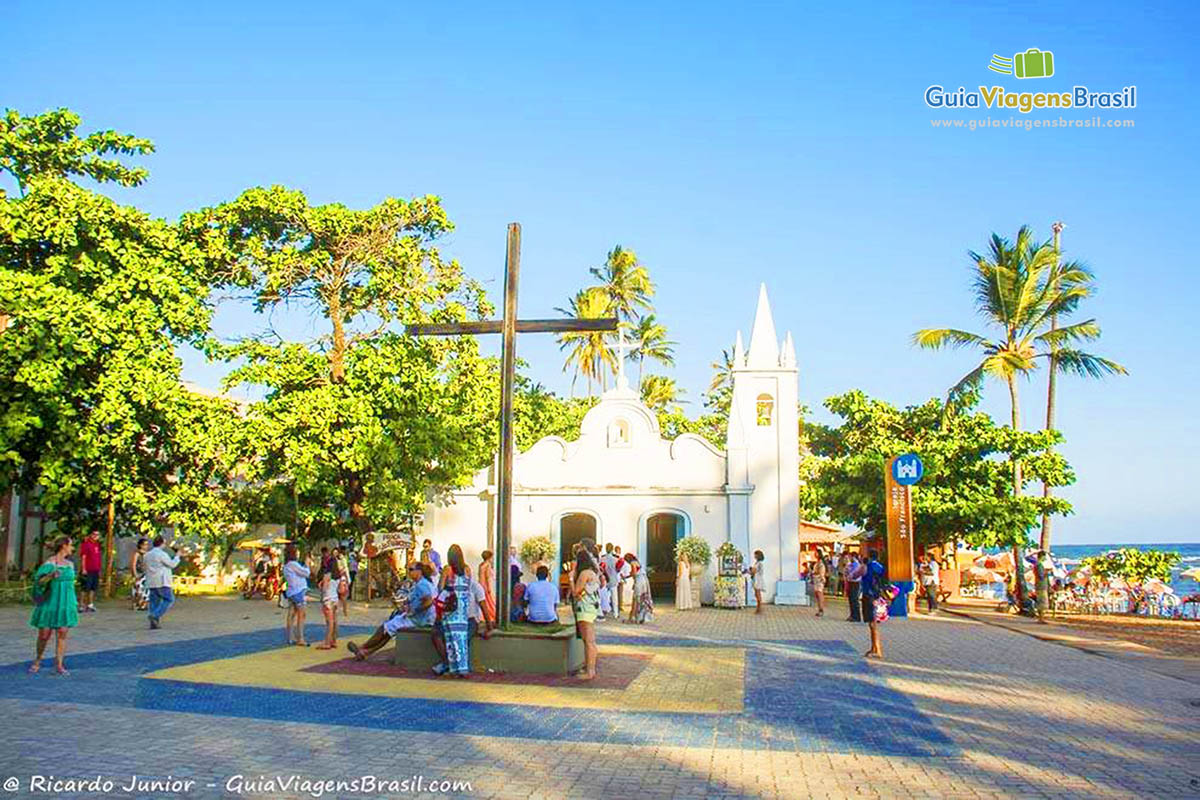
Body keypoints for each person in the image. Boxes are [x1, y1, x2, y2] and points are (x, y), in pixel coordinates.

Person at [348, 563, 436, 661]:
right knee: (389, 631)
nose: (409, 572)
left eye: (411, 569)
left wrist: (414, 611)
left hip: (418, 619)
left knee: (385, 627)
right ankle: (367, 651)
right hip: (423, 618)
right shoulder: (424, 583)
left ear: (419, 571)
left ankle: (363, 647)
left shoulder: (421, 585)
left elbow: (429, 601)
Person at [29, 536, 80, 675]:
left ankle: (59, 664)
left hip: (66, 601)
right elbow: (39, 582)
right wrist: (51, 575)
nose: (72, 548)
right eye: (70, 545)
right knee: (44, 634)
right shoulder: (50, 563)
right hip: (50, 601)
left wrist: (74, 602)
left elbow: (71, 585)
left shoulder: (70, 564)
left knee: (62, 632)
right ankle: (38, 659)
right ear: (64, 546)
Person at [432, 544, 472, 677]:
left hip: (450, 609)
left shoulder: (448, 570)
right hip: (462, 609)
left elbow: (440, 588)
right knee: (461, 638)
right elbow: (468, 587)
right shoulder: (467, 570)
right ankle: (463, 668)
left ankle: (454, 669)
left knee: (450, 639)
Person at [572, 540, 601, 680]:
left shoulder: (584, 573)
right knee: (589, 641)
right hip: (591, 607)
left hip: (584, 608)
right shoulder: (593, 572)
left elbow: (576, 591)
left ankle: (590, 671)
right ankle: (589, 667)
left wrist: (571, 579)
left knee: (588, 641)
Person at [144, 536, 181, 630]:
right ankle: (155, 615)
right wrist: (177, 556)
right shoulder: (161, 554)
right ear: (162, 544)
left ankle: (154, 622)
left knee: (154, 602)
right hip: (162, 580)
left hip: (151, 581)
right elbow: (172, 564)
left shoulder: (147, 555)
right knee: (169, 599)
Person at [282, 544, 311, 646]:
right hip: (298, 591)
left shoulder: (286, 566)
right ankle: (300, 638)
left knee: (291, 615)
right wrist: (307, 564)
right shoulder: (293, 564)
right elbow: (305, 573)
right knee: (301, 615)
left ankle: (290, 637)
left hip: (291, 592)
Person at [862, 549, 886, 659]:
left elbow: (856, 575)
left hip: (868, 595)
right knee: (874, 622)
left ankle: (877, 649)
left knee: (872, 624)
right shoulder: (881, 567)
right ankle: (874, 647)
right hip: (878, 596)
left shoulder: (867, 566)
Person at [316, 561, 341, 650]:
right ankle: (334, 641)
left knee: (329, 622)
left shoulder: (327, 575)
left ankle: (327, 642)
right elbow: (340, 588)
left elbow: (325, 588)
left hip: (328, 599)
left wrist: (321, 585)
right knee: (334, 621)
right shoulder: (338, 576)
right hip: (335, 598)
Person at [77, 529, 102, 613]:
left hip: (95, 569)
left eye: (97, 535)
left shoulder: (97, 544)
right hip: (88, 569)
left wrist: (99, 569)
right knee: (84, 588)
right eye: (94, 534)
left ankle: (90, 604)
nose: (96, 536)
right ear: (91, 535)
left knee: (93, 588)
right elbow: (83, 557)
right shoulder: (86, 544)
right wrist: (83, 568)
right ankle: (81, 605)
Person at [477, 550, 497, 637]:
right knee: (490, 602)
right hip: (486, 586)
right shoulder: (487, 565)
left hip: (480, 585)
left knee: (484, 602)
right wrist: (489, 588)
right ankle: (492, 616)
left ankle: (482, 616)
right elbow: (488, 577)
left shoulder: (481, 565)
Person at [129, 537, 150, 611]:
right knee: (138, 589)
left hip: (146, 574)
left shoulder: (147, 554)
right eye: (144, 544)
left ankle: (143, 604)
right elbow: (133, 564)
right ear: (140, 545)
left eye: (147, 544)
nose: (146, 546)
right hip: (138, 573)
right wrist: (135, 574)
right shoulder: (137, 553)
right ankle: (136, 604)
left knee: (146, 590)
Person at [845, 552, 864, 622]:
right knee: (851, 599)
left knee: (854, 599)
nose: (849, 558)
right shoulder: (850, 564)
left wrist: (849, 574)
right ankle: (852, 615)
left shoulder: (856, 564)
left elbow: (854, 573)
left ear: (854, 557)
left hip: (855, 583)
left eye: (850, 556)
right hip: (850, 582)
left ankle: (856, 616)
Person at [334, 546, 351, 618]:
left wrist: (348, 578)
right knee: (338, 595)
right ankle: (342, 611)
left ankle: (344, 611)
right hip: (337, 578)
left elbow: (345, 569)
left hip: (341, 578)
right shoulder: (336, 559)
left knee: (342, 595)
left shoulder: (342, 559)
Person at [811, 548, 827, 618]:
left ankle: (821, 609)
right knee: (817, 595)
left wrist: (814, 573)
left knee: (820, 594)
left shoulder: (821, 563)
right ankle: (819, 608)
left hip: (819, 579)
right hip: (816, 580)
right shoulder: (817, 562)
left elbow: (821, 572)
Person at [750, 550, 766, 614]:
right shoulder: (757, 563)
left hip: (758, 580)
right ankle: (758, 607)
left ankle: (759, 608)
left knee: (757, 593)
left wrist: (751, 570)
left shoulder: (759, 563)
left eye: (755, 554)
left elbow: (754, 571)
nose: (754, 556)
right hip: (756, 579)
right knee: (756, 593)